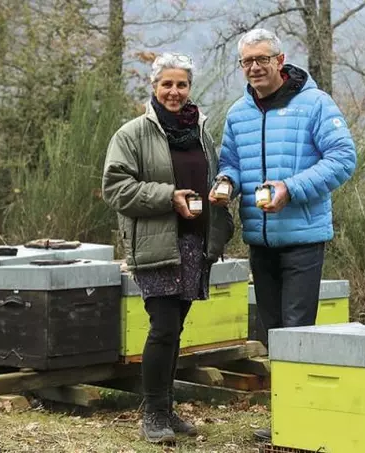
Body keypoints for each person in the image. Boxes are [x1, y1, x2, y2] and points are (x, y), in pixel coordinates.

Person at [208, 28, 356, 441]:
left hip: (304, 237)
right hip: (260, 238)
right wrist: (225, 181)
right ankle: (286, 417)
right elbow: (232, 162)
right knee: (273, 332)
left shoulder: (315, 103)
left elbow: (344, 159)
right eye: (247, 61)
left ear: (280, 59)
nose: (254, 67)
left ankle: (301, 421)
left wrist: (291, 189)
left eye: (262, 59)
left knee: (296, 330)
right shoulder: (239, 112)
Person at [102, 52, 234, 444]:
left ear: (189, 89)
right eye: (167, 85)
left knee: (175, 328)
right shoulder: (132, 134)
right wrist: (167, 197)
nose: (175, 92)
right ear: (154, 87)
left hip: (195, 243)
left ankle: (167, 408)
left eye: (182, 85)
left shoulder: (200, 132)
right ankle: (153, 414)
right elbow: (116, 188)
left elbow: (214, 173)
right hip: (156, 242)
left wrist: (222, 188)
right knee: (162, 327)